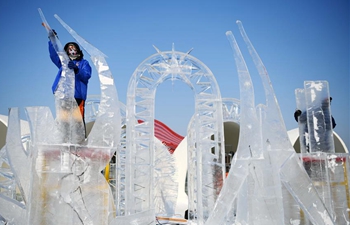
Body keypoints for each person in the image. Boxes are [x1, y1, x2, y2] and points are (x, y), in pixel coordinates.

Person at [48, 29, 92, 138]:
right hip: (64, 96)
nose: (72, 50)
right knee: (64, 122)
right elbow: (54, 55)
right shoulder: (64, 63)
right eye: (69, 49)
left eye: (74, 48)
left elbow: (86, 75)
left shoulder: (83, 63)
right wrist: (52, 39)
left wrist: (77, 70)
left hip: (77, 96)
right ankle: (64, 142)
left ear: (78, 50)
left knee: (78, 122)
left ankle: (80, 143)